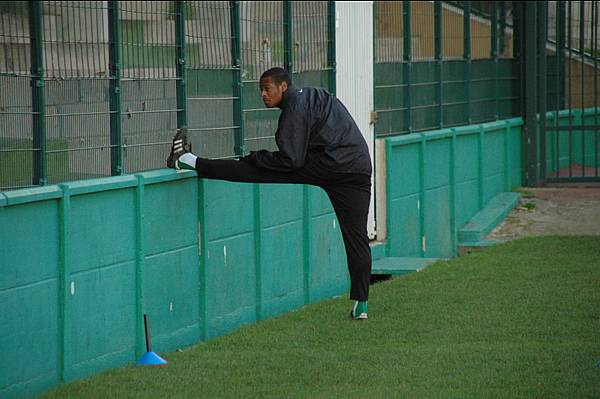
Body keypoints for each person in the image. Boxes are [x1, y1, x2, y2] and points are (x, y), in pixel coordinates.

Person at [167, 67, 372, 320]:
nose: (263, 94)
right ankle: (361, 305)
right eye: (260, 90)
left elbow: (291, 160)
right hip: (359, 168)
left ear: (283, 86)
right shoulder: (315, 95)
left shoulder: (295, 106)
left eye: (268, 89)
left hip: (330, 165)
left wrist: (257, 159)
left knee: (251, 168)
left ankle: (187, 160)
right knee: (358, 237)